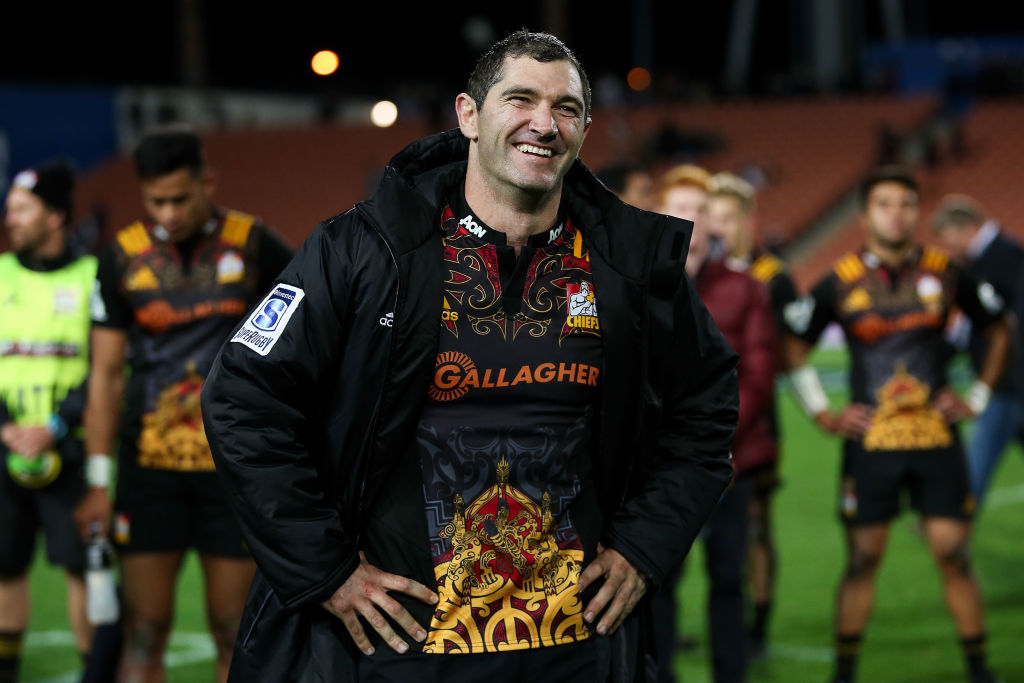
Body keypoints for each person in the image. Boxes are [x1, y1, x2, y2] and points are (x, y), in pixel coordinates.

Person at [200, 30, 739, 683]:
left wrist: (644, 546)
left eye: (566, 108)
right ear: (468, 114)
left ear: (586, 128)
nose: (544, 122)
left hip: (574, 650)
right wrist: (325, 568)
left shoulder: (629, 266)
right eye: (520, 99)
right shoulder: (364, 250)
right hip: (401, 649)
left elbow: (706, 409)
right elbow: (241, 397)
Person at [77, 123, 294, 683]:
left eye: (179, 198)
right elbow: (103, 376)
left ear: (207, 182)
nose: (168, 212)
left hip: (232, 470)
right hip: (148, 474)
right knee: (143, 631)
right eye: (156, 201)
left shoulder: (255, 246)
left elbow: (300, 351)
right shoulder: (120, 257)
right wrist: (99, 480)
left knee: (233, 629)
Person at [781, 166, 1009, 683]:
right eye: (885, 204)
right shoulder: (838, 281)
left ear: (917, 213)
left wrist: (976, 394)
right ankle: (845, 672)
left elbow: (999, 330)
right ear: (865, 216)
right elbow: (792, 348)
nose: (897, 214)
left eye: (907, 204)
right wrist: (823, 412)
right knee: (863, 560)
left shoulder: (945, 272)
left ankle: (979, 669)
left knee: (955, 555)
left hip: (936, 440)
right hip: (871, 446)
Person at [659, 166, 777, 683]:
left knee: (728, 580)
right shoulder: (640, 284)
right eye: (681, 207)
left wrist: (711, 444)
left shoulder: (746, 288)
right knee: (655, 582)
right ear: (662, 216)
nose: (692, 217)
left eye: (701, 208)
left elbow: (757, 374)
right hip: (658, 469)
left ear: (714, 220)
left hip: (731, 463)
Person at [0, 160, 96, 682]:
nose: (9, 218)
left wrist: (55, 427)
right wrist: (6, 428)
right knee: (4, 569)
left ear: (55, 215)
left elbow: (107, 368)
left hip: (72, 453)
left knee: (82, 572)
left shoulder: (91, 277)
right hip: (5, 448)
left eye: (21, 209)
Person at [707, 171, 799, 658]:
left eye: (724, 217)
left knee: (757, 523)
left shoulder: (773, 278)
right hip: (702, 419)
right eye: (711, 216)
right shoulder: (695, 270)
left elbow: (790, 354)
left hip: (756, 420)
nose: (716, 226)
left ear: (746, 221)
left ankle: (757, 623)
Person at [932, 193, 1024, 503]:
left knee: (977, 460)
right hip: (1008, 380)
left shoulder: (1005, 257)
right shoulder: (993, 258)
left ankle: (954, 522)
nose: (949, 249)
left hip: (1006, 382)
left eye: (949, 239)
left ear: (965, 229)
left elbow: (1007, 325)